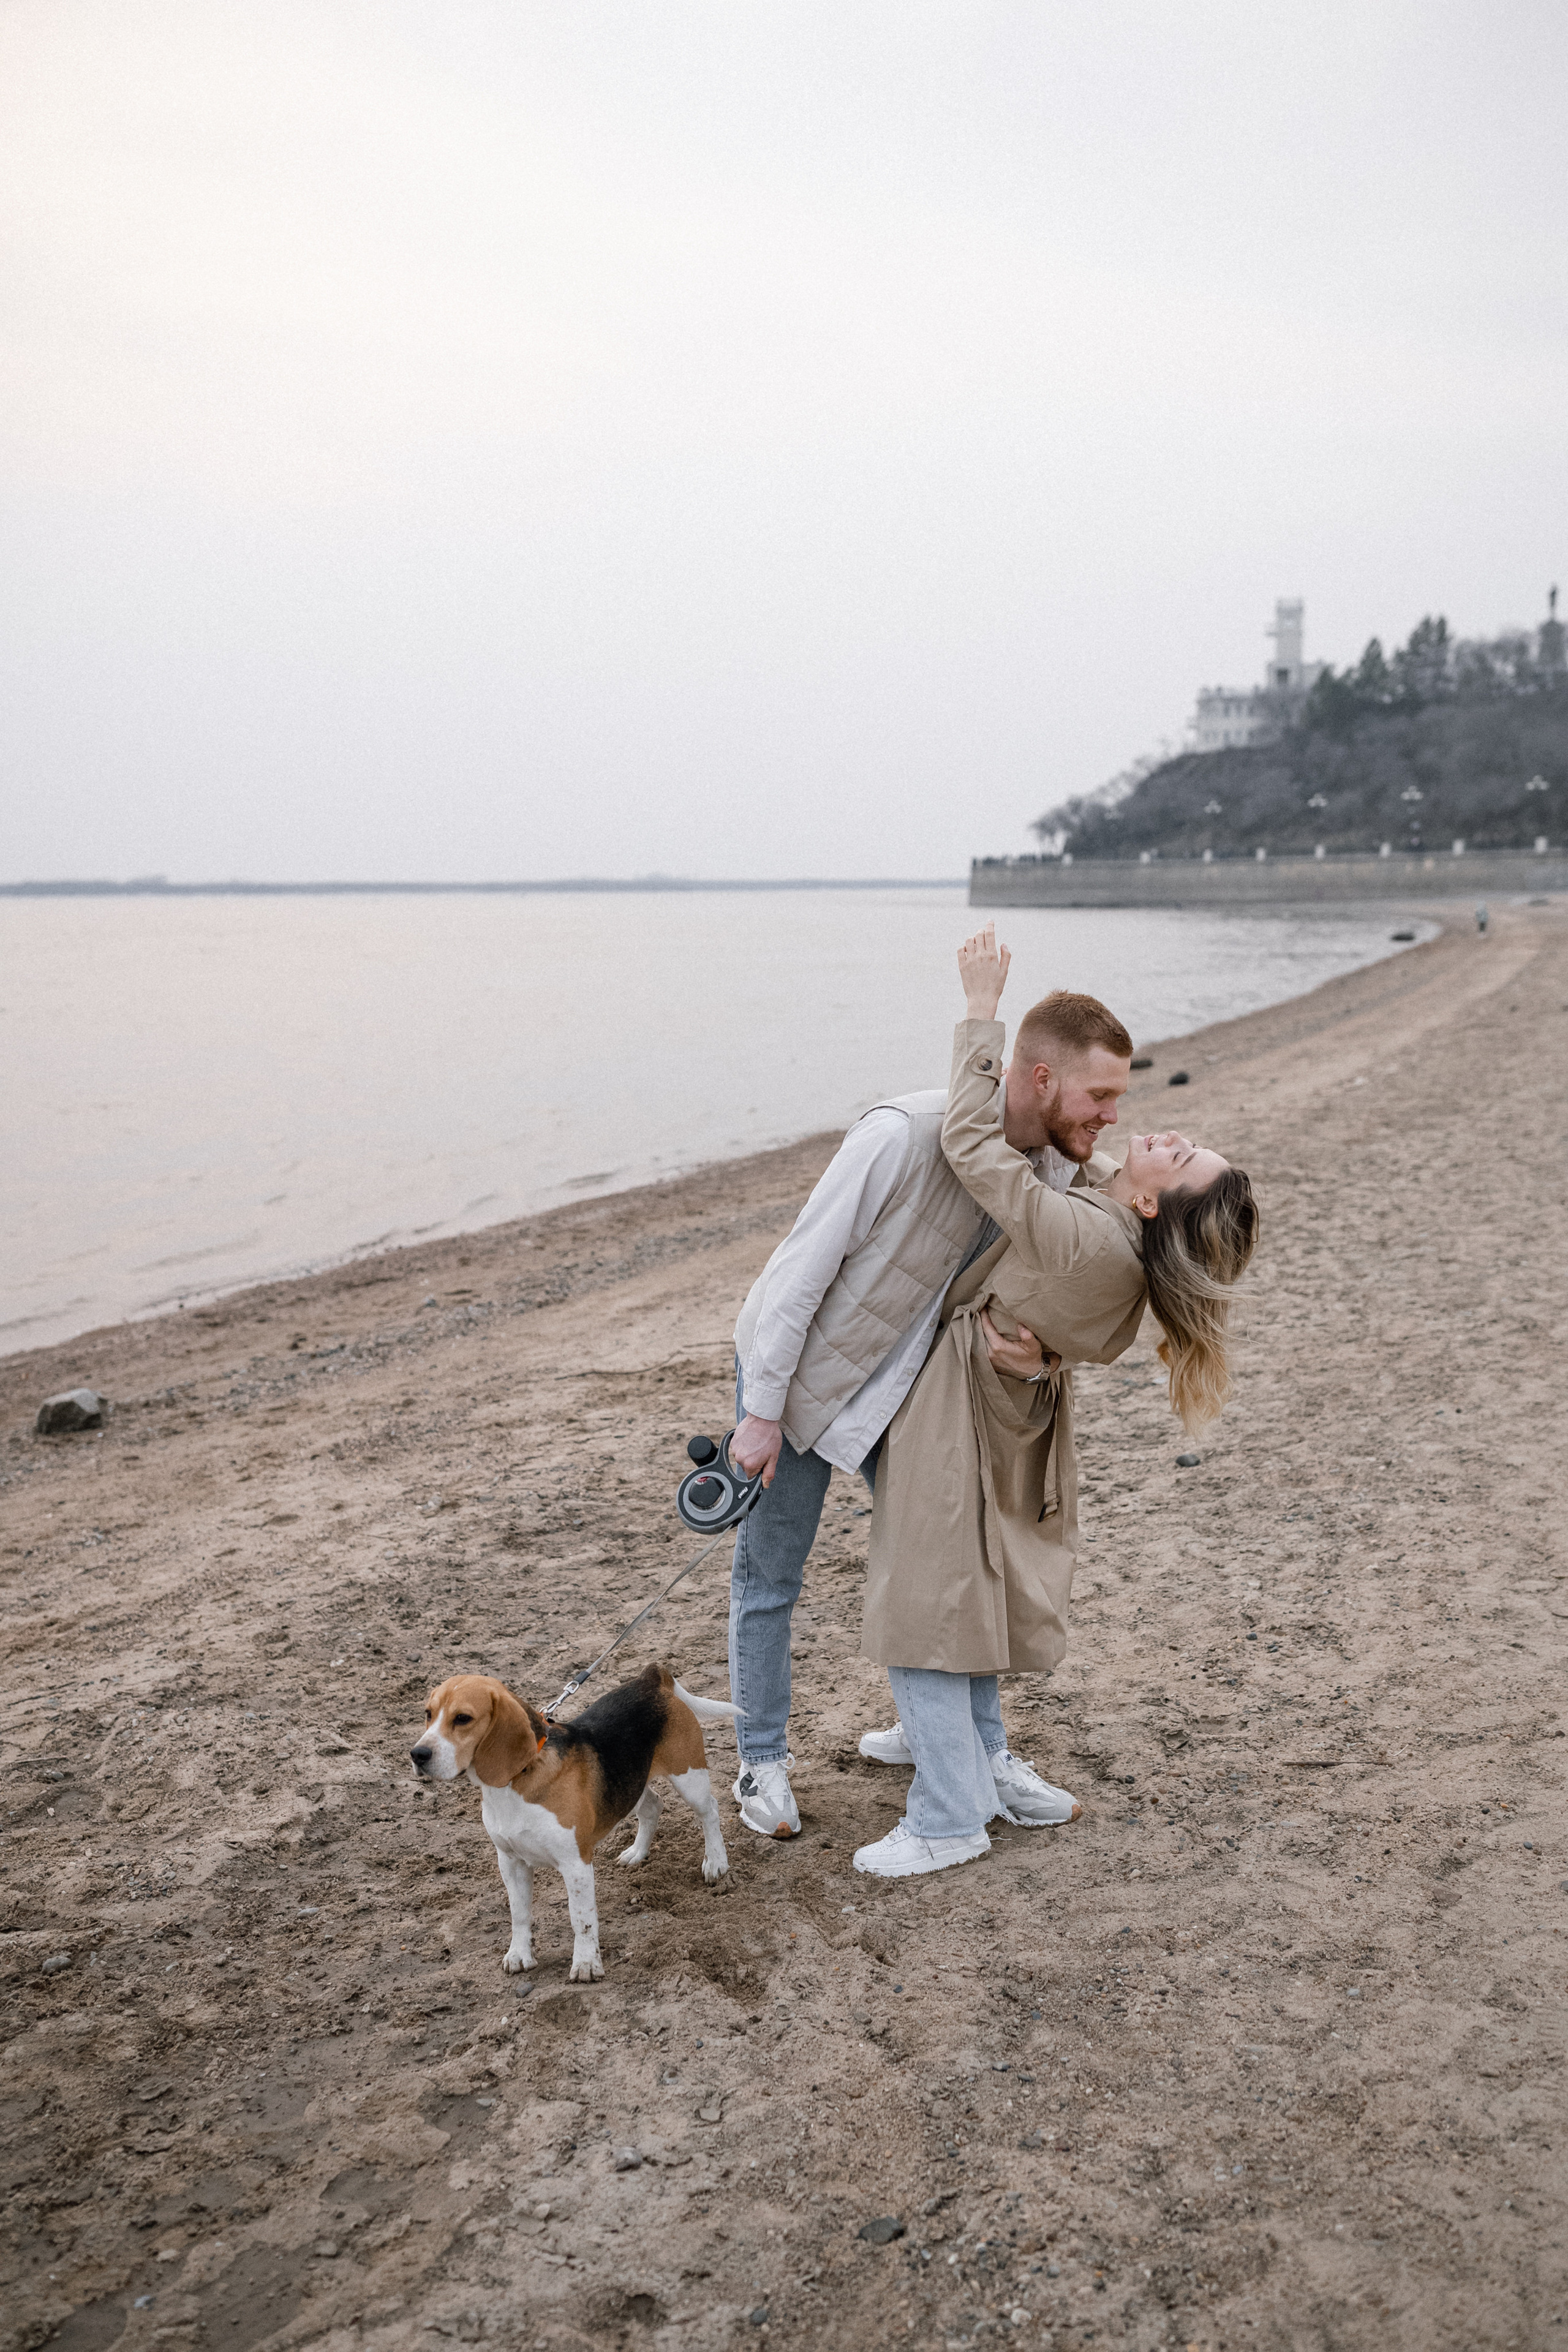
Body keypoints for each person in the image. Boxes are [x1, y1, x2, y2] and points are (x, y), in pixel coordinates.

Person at [851, 923, 1259, 1879]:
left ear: (1158, 1205)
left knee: (925, 1607)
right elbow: (1102, 1195)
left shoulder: (1089, 1242)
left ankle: (949, 1815)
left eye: (1179, 1155)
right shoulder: (1121, 1247)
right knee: (969, 1593)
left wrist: (983, 1013)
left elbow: (967, 1141)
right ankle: (976, 1764)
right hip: (1007, 1416)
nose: (1159, 1134)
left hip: (957, 1412)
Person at [725, 972, 1140, 1839]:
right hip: (804, 1379)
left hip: (914, 1391)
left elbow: (1066, 1272)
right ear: (1038, 1080)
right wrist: (762, 1413)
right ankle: (761, 1759)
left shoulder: (1048, 1170)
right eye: (1099, 1095)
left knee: (959, 1567)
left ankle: (974, 1751)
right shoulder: (904, 1134)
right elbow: (800, 1274)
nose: (1109, 1116)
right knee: (772, 1575)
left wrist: (1051, 1352)